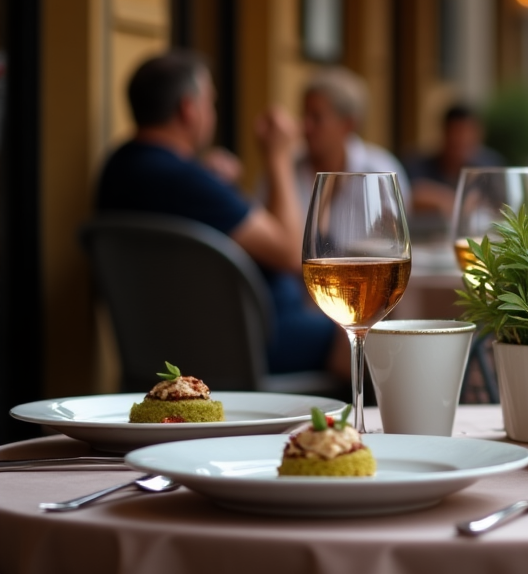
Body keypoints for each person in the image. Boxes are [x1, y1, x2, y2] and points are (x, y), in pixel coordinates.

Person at [96, 50, 343, 376]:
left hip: (163, 344)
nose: (211, 114)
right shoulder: (184, 181)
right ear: (188, 109)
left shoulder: (118, 169)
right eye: (209, 103)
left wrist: (211, 180)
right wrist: (278, 158)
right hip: (251, 344)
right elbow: (290, 252)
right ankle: (355, 424)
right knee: (363, 331)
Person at [288, 67, 411, 213]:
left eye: (316, 118)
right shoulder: (287, 167)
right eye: (304, 115)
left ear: (348, 124)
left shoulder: (379, 172)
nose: (305, 126)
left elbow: (395, 232)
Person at [407, 104, 504, 220]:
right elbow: (411, 194)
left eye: (467, 133)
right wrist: (448, 200)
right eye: (456, 133)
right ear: (445, 132)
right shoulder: (418, 164)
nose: (461, 139)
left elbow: (503, 207)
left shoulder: (491, 165)